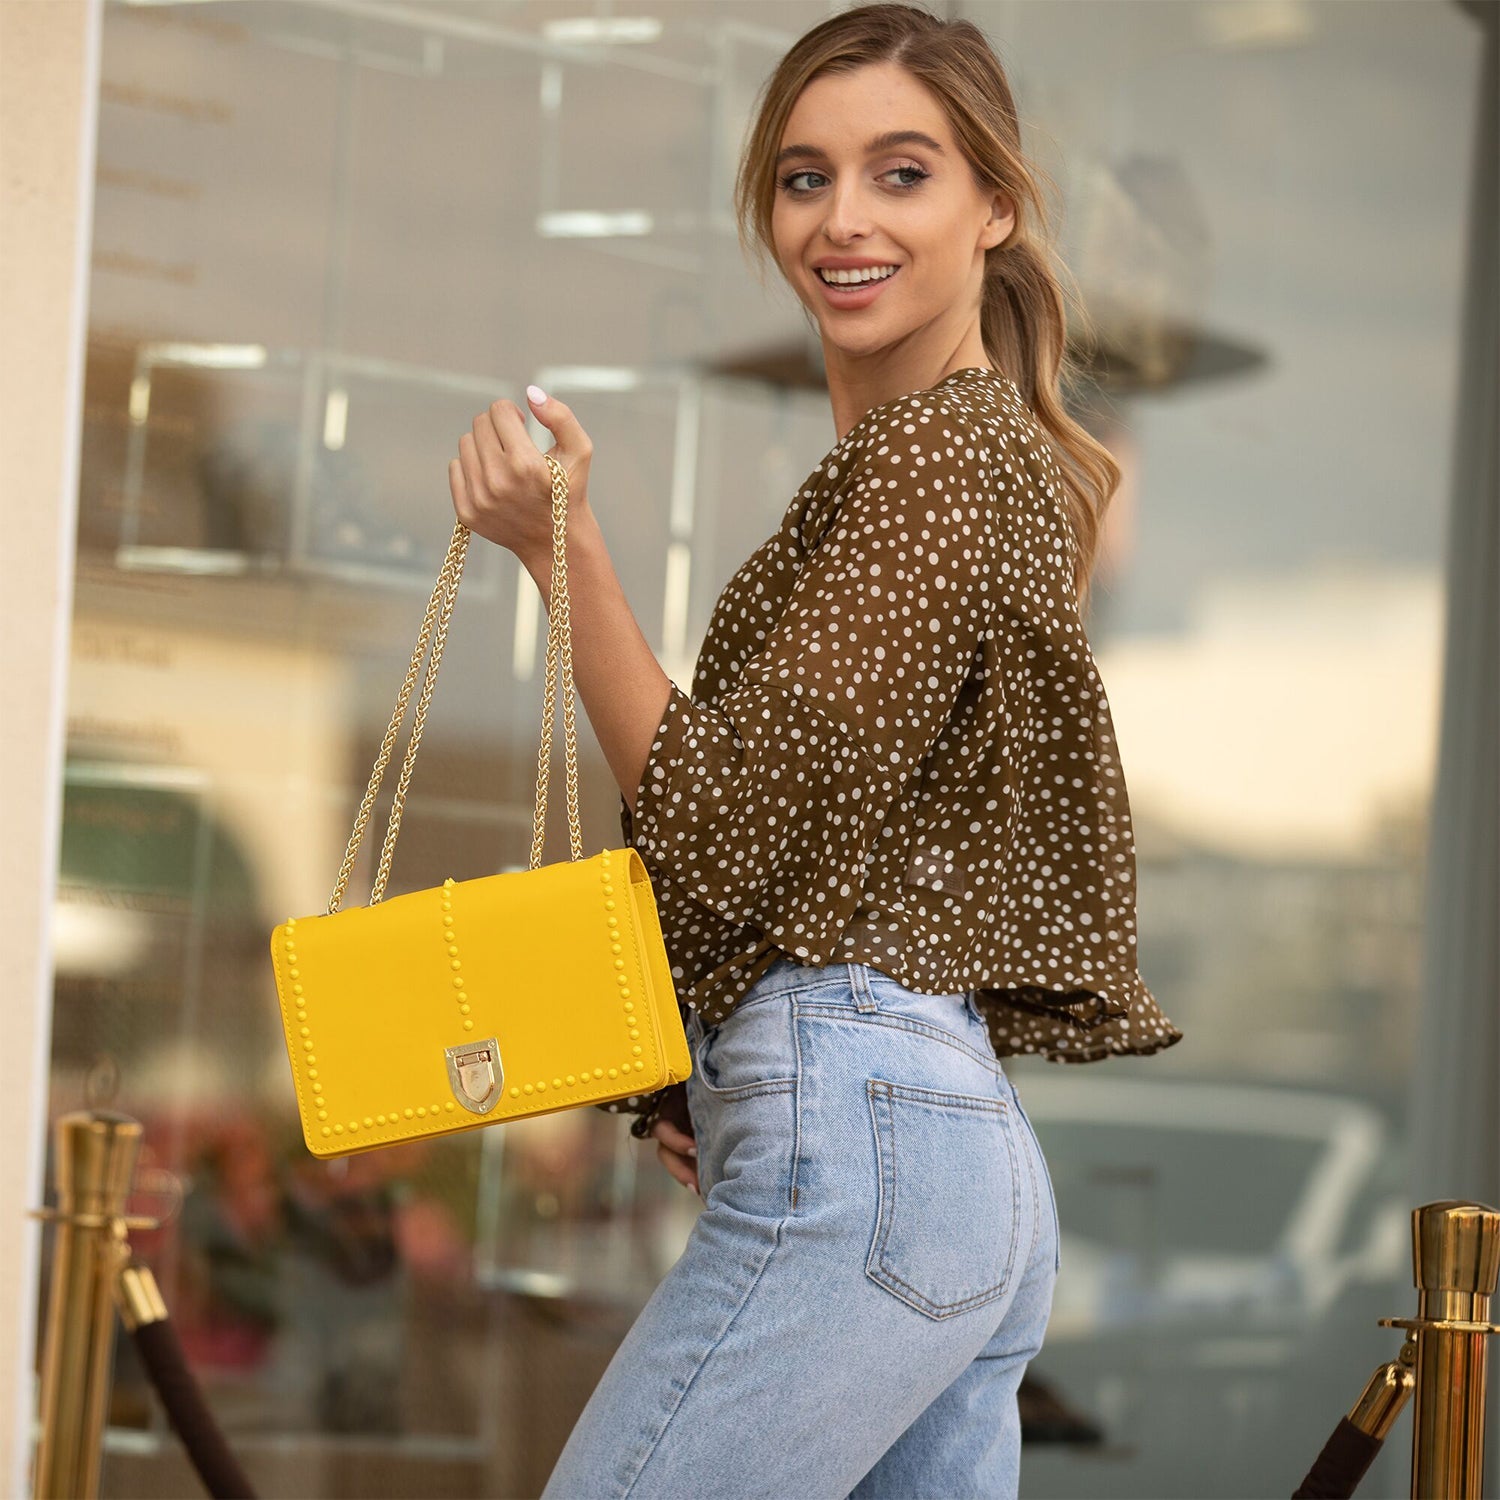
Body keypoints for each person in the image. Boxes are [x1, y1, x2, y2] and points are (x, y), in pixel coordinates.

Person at [449, 5, 1182, 1494]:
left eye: (901, 173)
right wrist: (696, 1080)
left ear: (995, 204)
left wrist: (562, 546)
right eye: (803, 177)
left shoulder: (937, 459)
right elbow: (842, 848)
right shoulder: (967, 465)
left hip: (871, 1132)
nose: (842, 219)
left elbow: (729, 827)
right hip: (944, 1145)